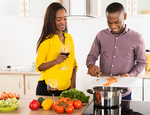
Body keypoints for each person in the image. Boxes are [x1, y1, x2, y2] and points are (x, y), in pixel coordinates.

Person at [86, 2, 147, 100]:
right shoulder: (101, 35)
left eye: (116, 22)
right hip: (102, 92)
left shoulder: (137, 38)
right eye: (109, 23)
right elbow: (92, 55)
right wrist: (91, 65)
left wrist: (130, 75)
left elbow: (142, 62)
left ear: (125, 16)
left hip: (123, 93)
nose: (113, 26)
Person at [35, 2, 78, 96]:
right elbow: (39, 67)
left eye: (65, 18)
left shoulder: (69, 38)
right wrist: (55, 61)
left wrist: (73, 86)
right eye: (59, 19)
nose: (63, 22)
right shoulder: (46, 41)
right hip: (48, 89)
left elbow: (73, 64)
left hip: (67, 89)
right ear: (51, 20)